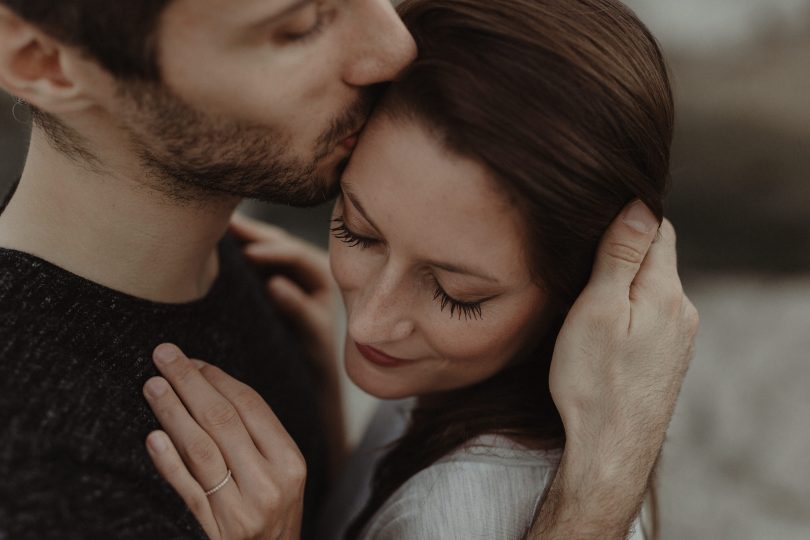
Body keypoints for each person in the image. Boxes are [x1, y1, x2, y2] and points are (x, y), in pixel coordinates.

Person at [0, 0, 696, 539]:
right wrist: (598, 490)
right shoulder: (42, 485)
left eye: (456, 293)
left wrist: (336, 454)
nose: (395, 43)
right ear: (42, 61)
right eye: (300, 23)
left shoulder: (255, 275)